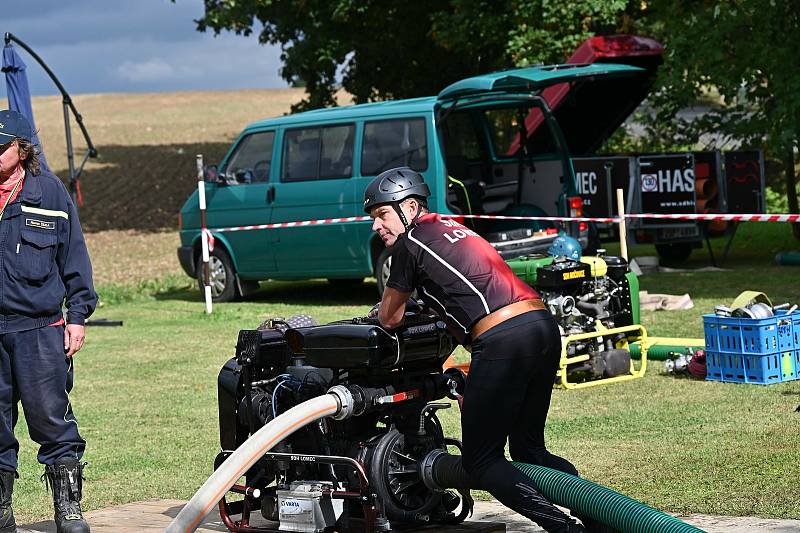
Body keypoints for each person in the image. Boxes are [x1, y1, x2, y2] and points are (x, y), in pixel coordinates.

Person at [365, 166, 589, 533]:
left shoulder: (411, 242)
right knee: (529, 450)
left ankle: (566, 530)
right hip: (542, 326)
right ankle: (597, 518)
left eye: (381, 214)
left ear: (408, 207)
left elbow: (389, 317)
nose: (376, 226)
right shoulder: (452, 228)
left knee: (481, 460)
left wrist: (388, 310)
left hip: (503, 338)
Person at [0, 110, 96, 533]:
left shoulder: (50, 193)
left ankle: (68, 509)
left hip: (39, 329)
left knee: (52, 421)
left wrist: (77, 316)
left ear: (21, 150)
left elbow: (74, 259)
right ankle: (1, 511)